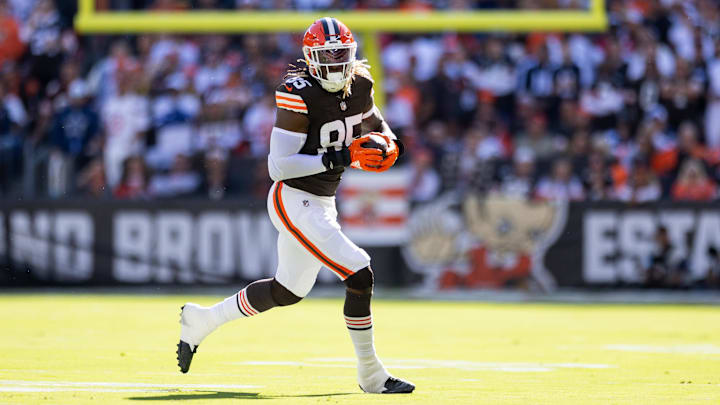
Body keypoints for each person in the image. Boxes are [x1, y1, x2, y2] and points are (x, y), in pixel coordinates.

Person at [176, 18, 414, 394]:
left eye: (341, 56)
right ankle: (371, 374)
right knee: (359, 272)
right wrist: (342, 156)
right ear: (310, 58)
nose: (336, 64)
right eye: (326, 56)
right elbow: (278, 165)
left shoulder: (361, 83)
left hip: (322, 200)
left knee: (287, 291)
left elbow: (380, 128)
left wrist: (388, 145)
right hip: (293, 197)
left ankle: (201, 321)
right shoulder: (297, 92)